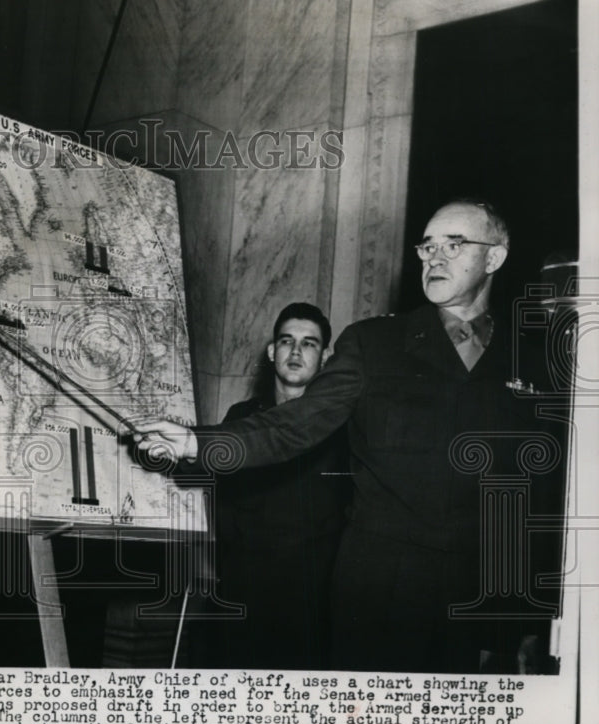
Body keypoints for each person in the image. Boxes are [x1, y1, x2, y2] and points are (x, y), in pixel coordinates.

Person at [136, 199, 556, 673]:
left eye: (454, 245)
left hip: (483, 598)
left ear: (495, 258)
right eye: (427, 246)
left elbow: (537, 498)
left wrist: (526, 620)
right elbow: (296, 423)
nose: (434, 258)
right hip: (381, 593)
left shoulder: (531, 360)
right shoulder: (374, 344)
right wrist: (197, 443)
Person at [196, 303, 350, 670]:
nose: (296, 352)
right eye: (287, 341)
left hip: (308, 606)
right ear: (271, 351)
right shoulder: (240, 418)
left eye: (309, 344)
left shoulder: (343, 429)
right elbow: (221, 504)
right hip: (239, 591)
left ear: (326, 357)